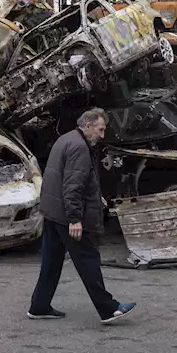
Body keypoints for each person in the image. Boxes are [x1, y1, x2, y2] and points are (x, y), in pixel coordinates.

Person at [28, 107, 137, 324]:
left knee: (51, 261)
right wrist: (75, 219)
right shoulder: (79, 147)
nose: (102, 135)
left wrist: (96, 197)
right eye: (100, 129)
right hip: (66, 215)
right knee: (88, 259)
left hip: (52, 211)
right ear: (88, 126)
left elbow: (69, 179)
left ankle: (39, 307)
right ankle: (109, 309)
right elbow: (72, 187)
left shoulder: (66, 139)